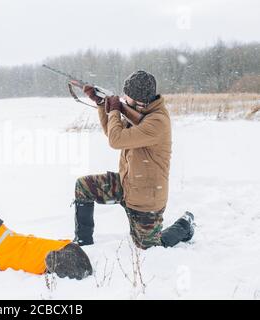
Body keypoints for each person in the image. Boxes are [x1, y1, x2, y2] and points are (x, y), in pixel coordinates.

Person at [73, 70, 195, 249]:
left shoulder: (157, 122)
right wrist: (101, 104)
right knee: (83, 186)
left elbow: (116, 140)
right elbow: (112, 133)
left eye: (126, 97)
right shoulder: (140, 112)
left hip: (146, 197)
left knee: (150, 246)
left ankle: (184, 225)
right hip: (127, 183)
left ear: (139, 101)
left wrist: (115, 109)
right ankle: (83, 244)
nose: (123, 99)